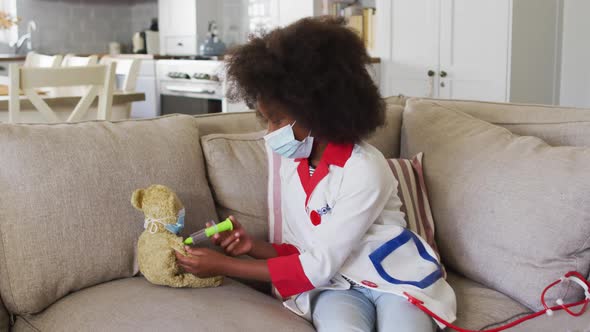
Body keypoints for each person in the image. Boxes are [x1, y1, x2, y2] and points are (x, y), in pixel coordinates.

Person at [175, 16, 456, 331]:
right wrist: (250, 247)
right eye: (265, 120)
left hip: (392, 278)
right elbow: (306, 251)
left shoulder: (365, 168)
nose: (269, 133)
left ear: (320, 110)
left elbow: (317, 265)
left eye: (278, 121)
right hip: (336, 285)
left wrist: (226, 266)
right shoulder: (292, 166)